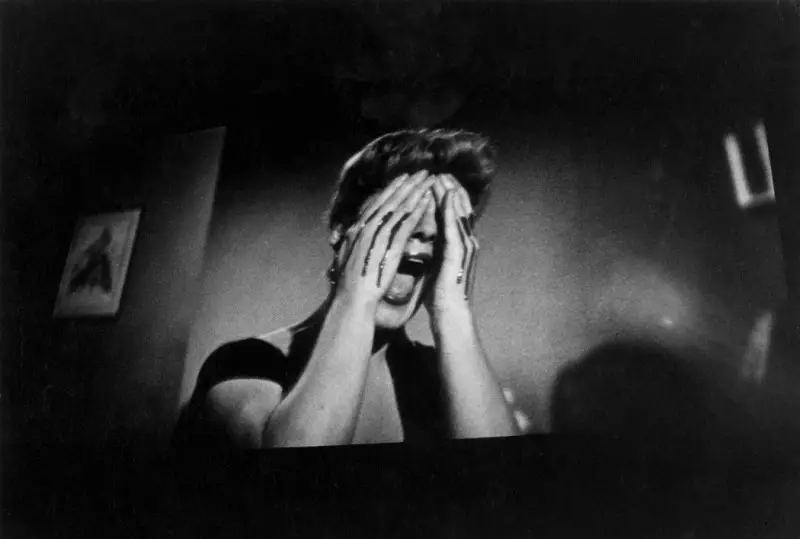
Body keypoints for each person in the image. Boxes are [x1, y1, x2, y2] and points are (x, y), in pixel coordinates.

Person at [173, 128, 521, 449]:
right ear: (342, 229)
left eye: (442, 230)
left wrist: (453, 314)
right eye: (397, 220)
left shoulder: (443, 373)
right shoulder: (245, 362)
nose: (424, 235)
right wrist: (357, 298)